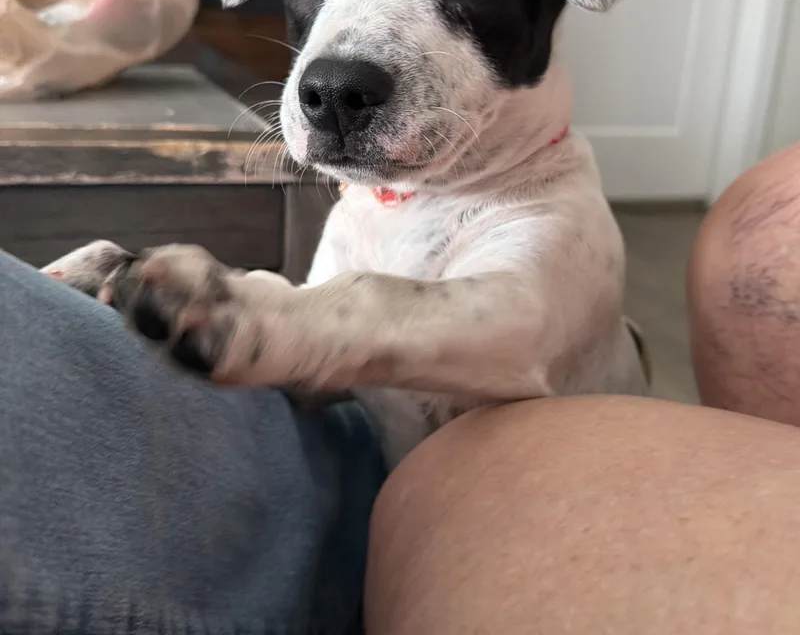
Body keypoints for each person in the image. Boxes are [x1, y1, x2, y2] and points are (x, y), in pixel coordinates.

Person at [3, 144, 800, 634]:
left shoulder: (546, 202)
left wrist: (296, 320)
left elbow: (503, 335)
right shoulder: (373, 209)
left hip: (391, 503)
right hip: (386, 473)